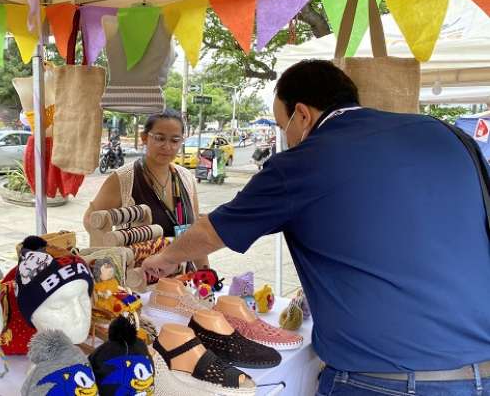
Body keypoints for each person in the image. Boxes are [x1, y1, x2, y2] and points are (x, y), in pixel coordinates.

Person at [142, 60, 490, 395]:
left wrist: (165, 259)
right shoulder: (449, 137)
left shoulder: (303, 161)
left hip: (381, 378)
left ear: (303, 114)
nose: (287, 138)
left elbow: (212, 231)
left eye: (283, 126)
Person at [84, 109, 209, 268]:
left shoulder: (186, 178)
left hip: (182, 280)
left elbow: (194, 232)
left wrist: (206, 276)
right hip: (138, 281)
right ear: (144, 138)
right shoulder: (124, 178)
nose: (167, 146)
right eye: (159, 138)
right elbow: (90, 219)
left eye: (175, 140)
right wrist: (114, 258)